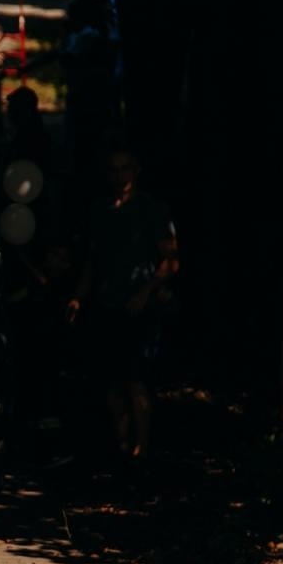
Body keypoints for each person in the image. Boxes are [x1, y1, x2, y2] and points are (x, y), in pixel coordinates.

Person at [65, 142, 177, 461]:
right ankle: (122, 444)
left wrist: (146, 291)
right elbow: (93, 260)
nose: (120, 176)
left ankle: (141, 447)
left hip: (139, 309)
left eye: (125, 168)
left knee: (135, 379)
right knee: (112, 380)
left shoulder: (152, 209)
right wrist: (78, 298)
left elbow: (171, 261)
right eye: (113, 170)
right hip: (106, 304)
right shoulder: (100, 210)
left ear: (136, 171)